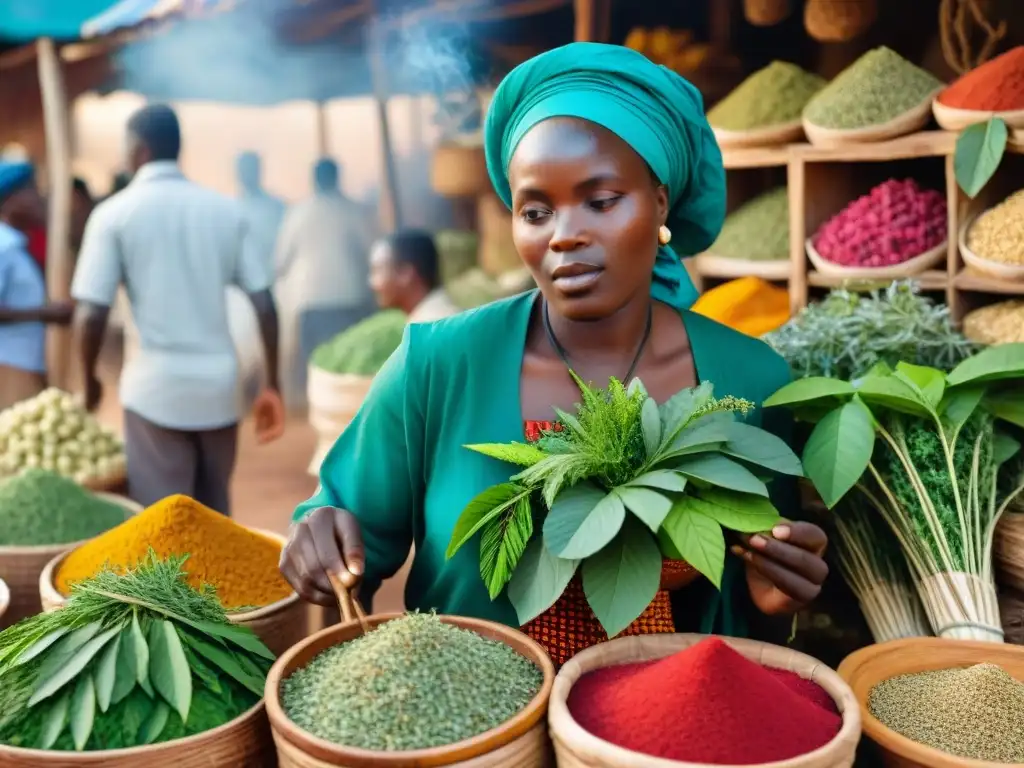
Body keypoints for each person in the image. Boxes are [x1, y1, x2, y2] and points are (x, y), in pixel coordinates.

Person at [280, 44, 829, 660]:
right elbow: (346, 529)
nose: (565, 234)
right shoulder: (436, 364)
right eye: (536, 210)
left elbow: (751, 618)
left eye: (600, 201)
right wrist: (320, 537)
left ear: (660, 202)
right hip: (481, 739)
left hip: (656, 747)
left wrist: (771, 597)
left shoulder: (749, 380)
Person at [71, 104, 285, 515]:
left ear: (139, 151)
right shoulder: (225, 210)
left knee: (162, 523)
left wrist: (90, 380)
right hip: (220, 392)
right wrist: (272, 382)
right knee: (214, 517)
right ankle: (218, 582)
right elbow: (264, 303)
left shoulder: (114, 214)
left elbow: (90, 313)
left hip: (155, 392)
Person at [273, 158, 376, 409]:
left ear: (314, 180)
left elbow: (280, 261)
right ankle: (350, 412)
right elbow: (372, 252)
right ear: (337, 178)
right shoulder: (353, 211)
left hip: (312, 300)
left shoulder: (298, 212)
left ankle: (323, 413)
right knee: (351, 365)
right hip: (350, 298)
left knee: (319, 366)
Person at [0, 161, 73, 409]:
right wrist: (46, 313)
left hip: (24, 364)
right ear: (10, 201)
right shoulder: (3, 247)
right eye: (31, 191)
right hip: (9, 366)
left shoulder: (17, 246)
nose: (38, 198)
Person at [232, 152, 286, 408]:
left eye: (250, 168)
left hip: (273, 287)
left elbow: (284, 250)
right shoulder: (231, 209)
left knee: (270, 345)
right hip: (241, 294)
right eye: (243, 169)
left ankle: (270, 391)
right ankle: (248, 398)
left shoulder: (277, 208)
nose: (246, 174)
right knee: (245, 348)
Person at [369, 229, 460, 323]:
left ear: (405, 274)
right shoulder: (441, 318)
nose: (372, 283)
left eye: (377, 271)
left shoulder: (429, 327)